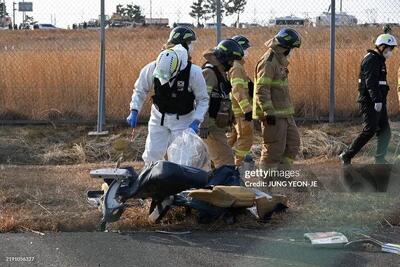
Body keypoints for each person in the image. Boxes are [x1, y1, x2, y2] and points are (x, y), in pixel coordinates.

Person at [127, 44, 209, 165]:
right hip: (158, 117)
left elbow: (203, 99)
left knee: (182, 159)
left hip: (184, 120)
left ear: (177, 69)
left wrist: (196, 121)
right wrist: (134, 110)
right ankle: (153, 180)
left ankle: (181, 183)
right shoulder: (151, 68)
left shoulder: (193, 72)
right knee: (152, 154)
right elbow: (140, 90)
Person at [340, 33, 397, 165]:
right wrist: (376, 100)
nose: (391, 52)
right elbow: (370, 82)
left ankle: (379, 159)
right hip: (370, 102)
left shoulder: (379, 60)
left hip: (379, 101)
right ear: (382, 47)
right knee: (369, 130)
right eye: (389, 49)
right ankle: (347, 155)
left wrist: (380, 100)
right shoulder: (371, 59)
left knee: (385, 131)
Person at [253, 28, 301, 168]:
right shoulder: (268, 62)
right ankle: (266, 183)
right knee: (274, 150)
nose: (292, 51)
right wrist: (268, 112)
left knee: (293, 144)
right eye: (292, 48)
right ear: (285, 47)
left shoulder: (279, 60)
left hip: (285, 114)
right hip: (273, 114)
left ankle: (283, 176)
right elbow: (262, 89)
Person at [200, 39, 245, 167]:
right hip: (209, 128)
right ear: (223, 58)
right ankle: (226, 186)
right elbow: (202, 100)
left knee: (213, 164)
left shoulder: (221, 73)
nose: (232, 64)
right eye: (231, 60)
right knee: (226, 162)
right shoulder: (210, 73)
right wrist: (204, 124)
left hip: (216, 126)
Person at [226, 35, 254, 166]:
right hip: (241, 112)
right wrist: (247, 109)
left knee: (232, 138)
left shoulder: (237, 66)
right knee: (245, 138)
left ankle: (218, 163)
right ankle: (237, 166)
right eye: (245, 49)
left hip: (235, 110)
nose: (247, 52)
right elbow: (237, 89)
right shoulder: (237, 67)